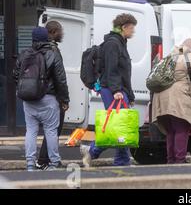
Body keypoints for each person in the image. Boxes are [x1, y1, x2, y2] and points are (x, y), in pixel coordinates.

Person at [81, 14, 137, 167]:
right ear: (124, 27)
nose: (133, 32)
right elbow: (112, 69)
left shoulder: (120, 42)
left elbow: (122, 72)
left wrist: (129, 94)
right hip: (114, 90)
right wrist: (116, 90)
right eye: (132, 28)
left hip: (118, 89)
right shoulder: (113, 44)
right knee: (118, 125)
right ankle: (113, 158)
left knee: (119, 125)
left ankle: (97, 153)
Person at [14, 27, 69, 171]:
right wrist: (64, 100)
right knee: (50, 131)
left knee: (31, 131)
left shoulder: (25, 54)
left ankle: (30, 164)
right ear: (46, 38)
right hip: (48, 99)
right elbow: (60, 80)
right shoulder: (52, 54)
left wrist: (25, 90)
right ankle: (54, 162)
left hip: (29, 100)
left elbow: (16, 76)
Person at [152, 38, 191, 164]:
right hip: (178, 98)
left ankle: (171, 161)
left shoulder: (168, 57)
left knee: (171, 131)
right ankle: (179, 161)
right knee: (181, 129)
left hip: (160, 100)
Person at [36, 21, 69, 170]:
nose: (62, 33)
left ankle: (41, 160)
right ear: (54, 31)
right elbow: (60, 78)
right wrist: (64, 99)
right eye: (60, 31)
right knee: (54, 128)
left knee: (37, 130)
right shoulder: (53, 50)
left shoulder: (37, 49)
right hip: (52, 95)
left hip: (38, 95)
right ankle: (47, 160)